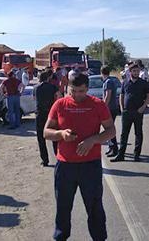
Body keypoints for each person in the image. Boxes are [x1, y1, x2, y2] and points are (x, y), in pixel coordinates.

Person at [44, 73, 116, 241]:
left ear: (87, 89)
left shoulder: (97, 105)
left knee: (94, 206)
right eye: (73, 91)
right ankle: (60, 237)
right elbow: (46, 132)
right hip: (65, 165)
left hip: (90, 165)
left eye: (81, 91)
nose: (77, 95)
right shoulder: (60, 104)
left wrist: (93, 139)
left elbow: (111, 130)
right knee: (63, 206)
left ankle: (99, 238)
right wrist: (61, 133)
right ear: (68, 88)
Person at [111, 63, 149, 162]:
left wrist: (143, 107)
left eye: (137, 71)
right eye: (134, 71)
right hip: (126, 112)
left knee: (138, 133)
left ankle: (136, 155)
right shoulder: (125, 82)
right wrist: (121, 108)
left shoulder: (143, 83)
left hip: (138, 112)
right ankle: (121, 155)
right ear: (130, 72)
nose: (136, 73)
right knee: (124, 134)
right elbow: (122, 95)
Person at [34, 70, 60, 166]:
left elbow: (34, 99)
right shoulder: (53, 87)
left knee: (41, 138)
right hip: (51, 114)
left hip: (40, 114)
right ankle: (58, 157)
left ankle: (45, 160)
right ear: (48, 78)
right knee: (54, 136)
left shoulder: (36, 88)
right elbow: (58, 97)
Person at [101, 66, 120, 158]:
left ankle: (114, 148)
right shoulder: (108, 81)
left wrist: (103, 107)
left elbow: (108, 96)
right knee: (107, 129)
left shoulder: (108, 82)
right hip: (111, 107)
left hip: (110, 108)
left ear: (102, 73)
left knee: (109, 129)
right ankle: (111, 147)